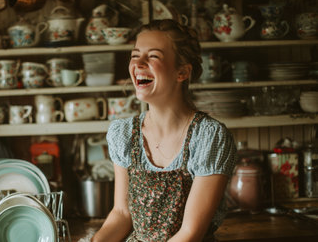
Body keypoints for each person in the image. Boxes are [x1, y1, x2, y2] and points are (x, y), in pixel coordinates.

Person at [91, 19, 237, 242]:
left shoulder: (208, 137)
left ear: (182, 73)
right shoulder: (124, 134)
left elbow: (190, 233)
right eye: (135, 55)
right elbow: (122, 214)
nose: (138, 64)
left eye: (153, 56)